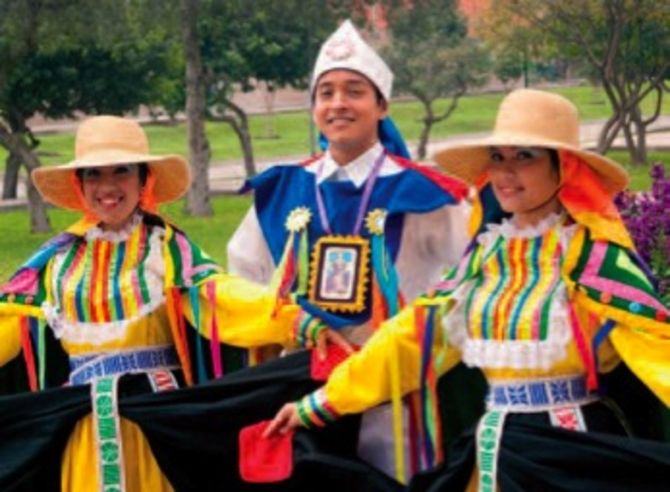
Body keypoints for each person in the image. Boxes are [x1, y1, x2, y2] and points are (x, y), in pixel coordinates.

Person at [266, 89, 670, 490]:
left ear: (562, 167)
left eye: (525, 156)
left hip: (570, 454)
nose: (506, 172)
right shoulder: (485, 259)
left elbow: (658, 350)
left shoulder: (591, 260)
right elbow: (411, 339)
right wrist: (321, 404)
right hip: (495, 447)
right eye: (498, 157)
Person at [0, 115, 322, 491]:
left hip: (156, 418)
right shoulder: (54, 262)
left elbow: (219, 298)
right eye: (93, 174)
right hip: (84, 427)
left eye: (121, 171)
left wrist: (293, 319)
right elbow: (9, 322)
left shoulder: (166, 249)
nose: (107, 186)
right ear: (80, 184)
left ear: (142, 180)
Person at [227, 19, 474, 478]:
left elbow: (460, 292)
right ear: (313, 107)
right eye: (326, 93)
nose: (338, 103)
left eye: (354, 91)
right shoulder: (283, 189)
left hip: (394, 391)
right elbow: (245, 280)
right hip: (300, 386)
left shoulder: (425, 194)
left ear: (382, 105)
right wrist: (289, 322)